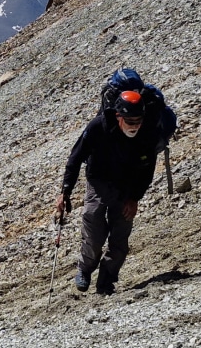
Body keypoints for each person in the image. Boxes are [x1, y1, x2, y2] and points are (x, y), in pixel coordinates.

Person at [57, 86, 175, 295]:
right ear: (118, 116)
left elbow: (147, 169)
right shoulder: (98, 127)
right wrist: (65, 191)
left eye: (137, 121)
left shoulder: (147, 132)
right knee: (93, 226)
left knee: (119, 238)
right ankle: (85, 270)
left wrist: (135, 198)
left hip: (127, 187)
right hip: (99, 182)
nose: (134, 126)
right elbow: (75, 157)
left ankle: (106, 282)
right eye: (130, 122)